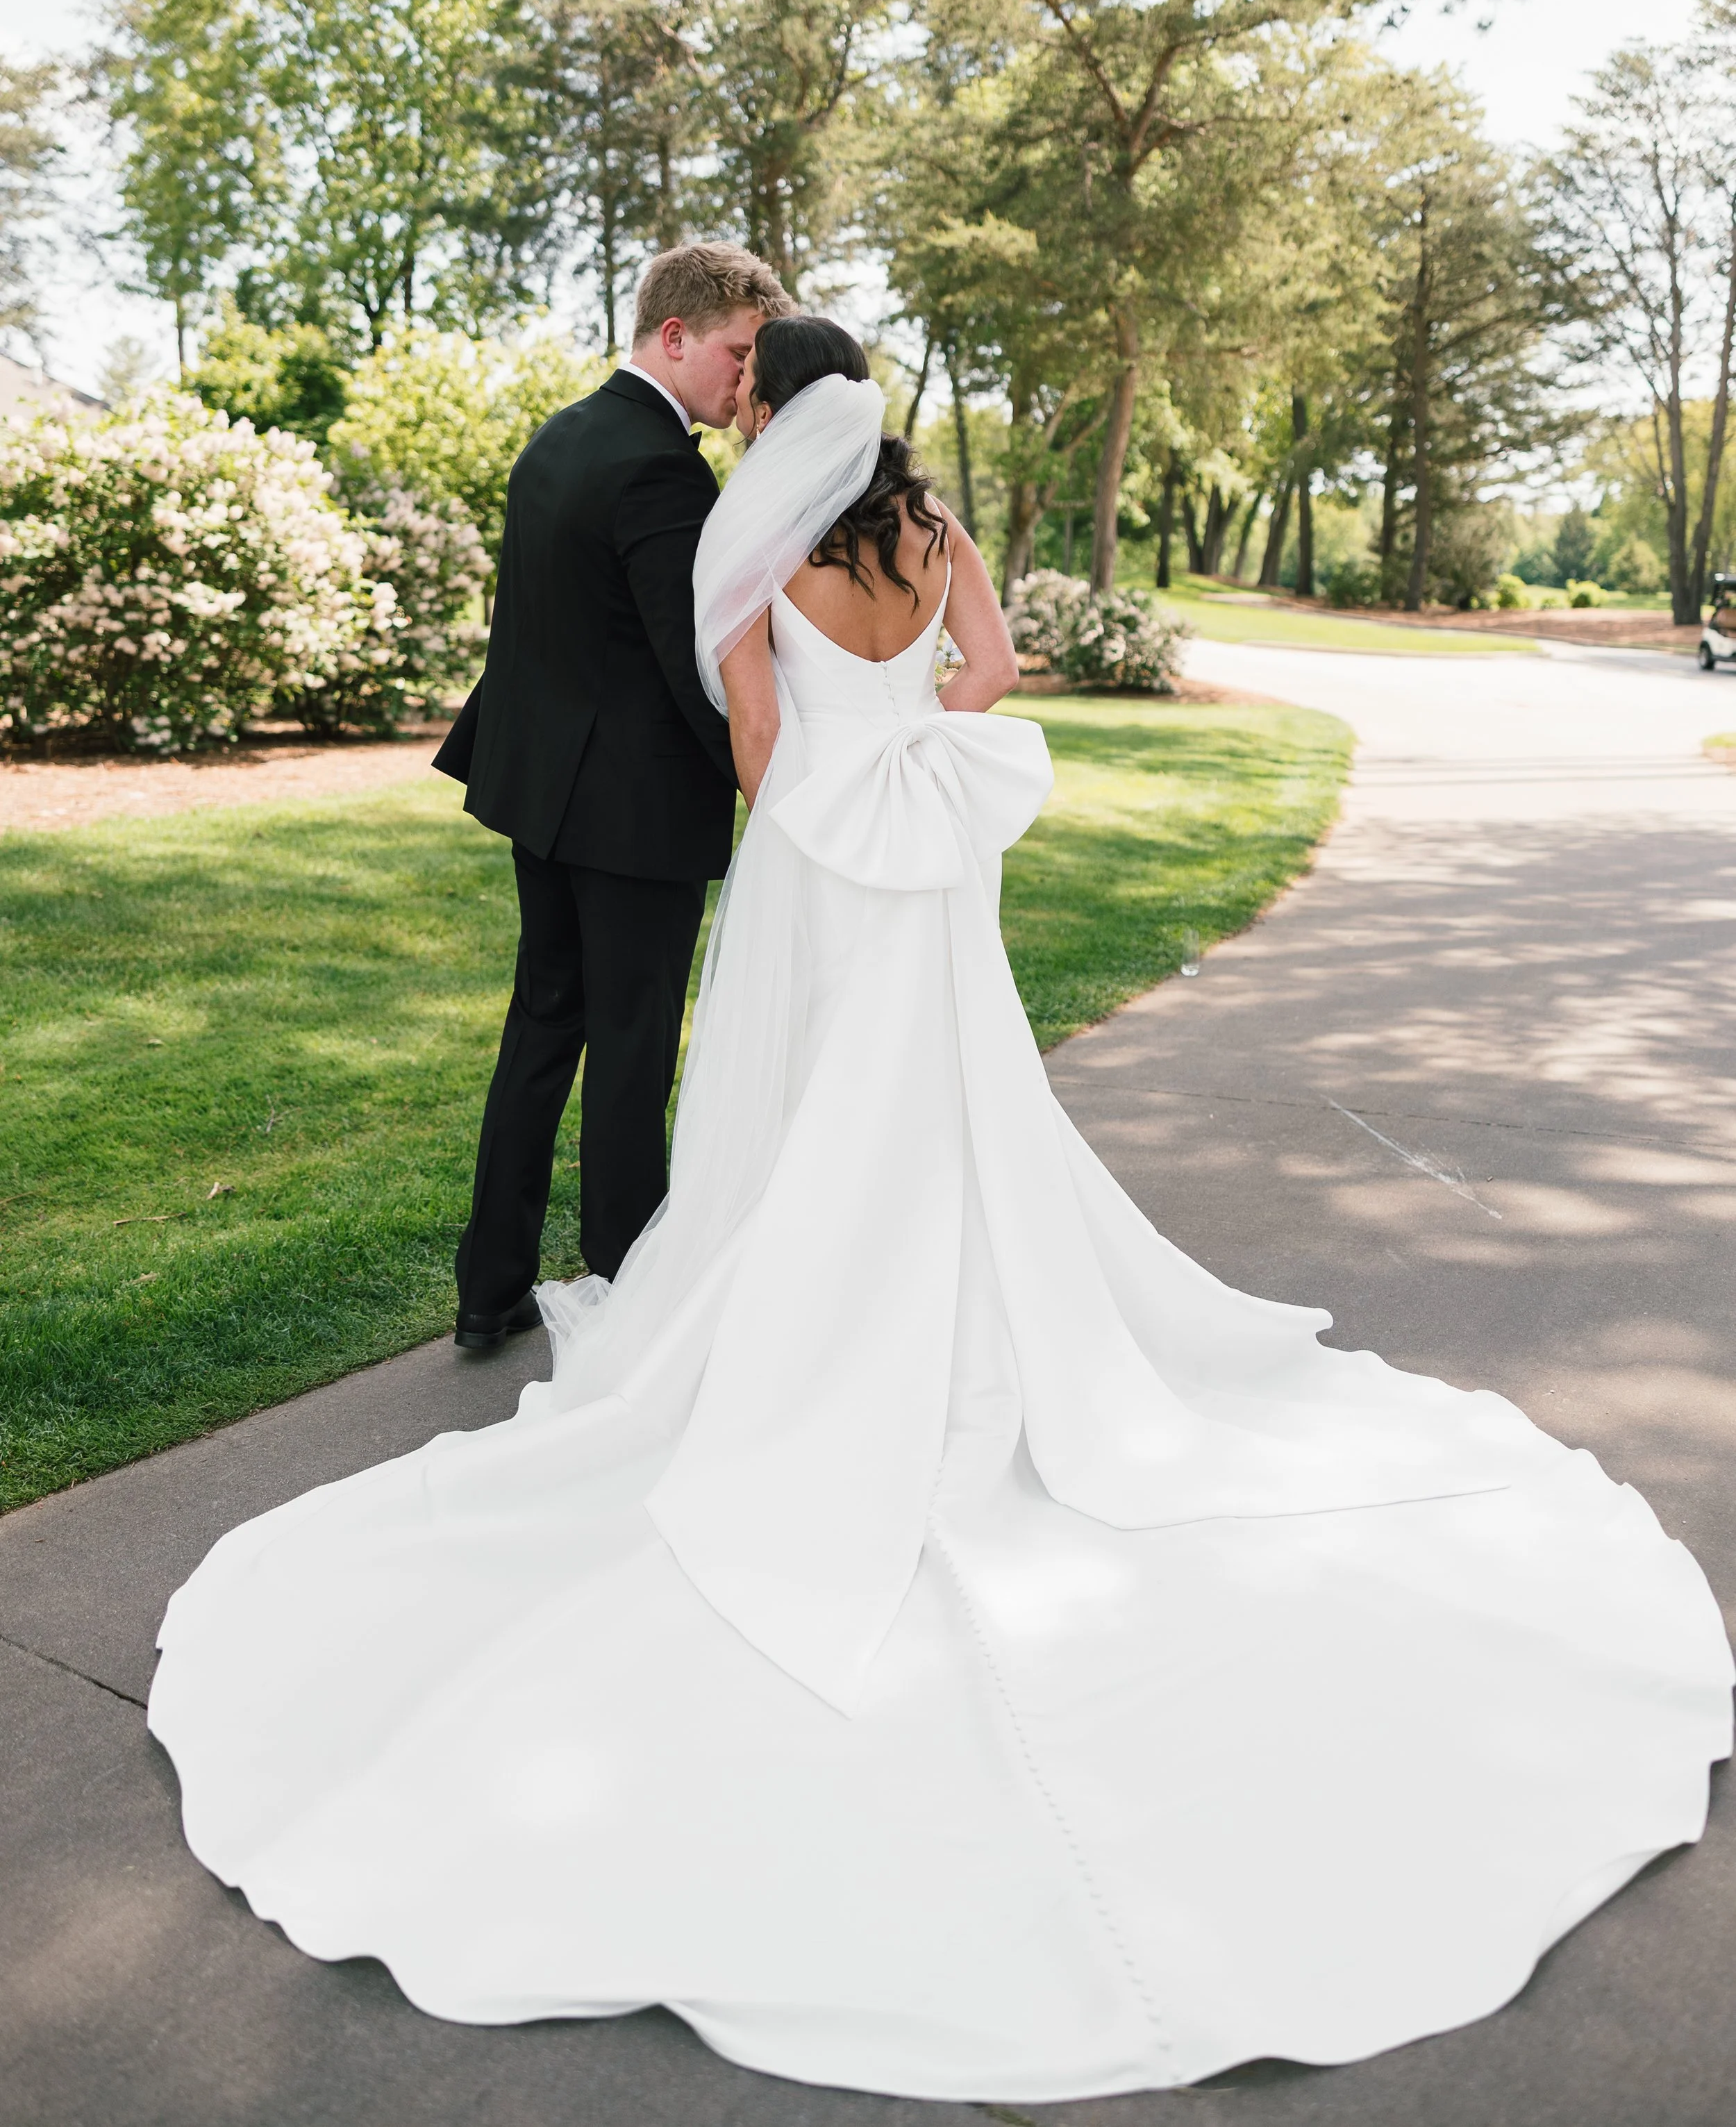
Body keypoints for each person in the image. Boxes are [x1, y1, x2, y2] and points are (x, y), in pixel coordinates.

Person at [151, 322, 1731, 2102]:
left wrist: (825, 773)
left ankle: (801, 1318)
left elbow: (753, 740)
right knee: (960, 1098)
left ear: (774, 410)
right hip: (929, 871)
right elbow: (995, 669)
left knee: (795, 1108)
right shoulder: (931, 533)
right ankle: (978, 1311)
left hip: (824, 865)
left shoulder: (755, 541)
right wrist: (912, 738)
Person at [432, 242, 792, 1351]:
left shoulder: (557, 438)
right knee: (633, 1052)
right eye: (736, 355)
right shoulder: (663, 466)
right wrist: (769, 772)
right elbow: (694, 660)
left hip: (540, 793)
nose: (743, 382)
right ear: (674, 337)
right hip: (632, 814)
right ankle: (631, 1300)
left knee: (543, 1030)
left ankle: (490, 1290)